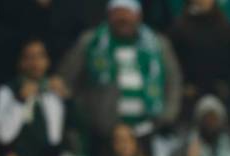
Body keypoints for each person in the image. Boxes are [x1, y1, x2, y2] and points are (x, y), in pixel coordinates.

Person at [58, 0, 182, 139]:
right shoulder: (91, 42)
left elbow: (173, 82)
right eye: (118, 13)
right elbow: (65, 80)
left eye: (128, 13)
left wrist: (167, 115)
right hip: (100, 132)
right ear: (109, 15)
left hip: (148, 130)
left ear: (138, 16)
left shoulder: (158, 44)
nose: (123, 18)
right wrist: (84, 114)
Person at [0, 39, 72, 156]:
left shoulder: (53, 91)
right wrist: (20, 101)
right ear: (21, 62)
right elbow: (3, 135)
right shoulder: (7, 91)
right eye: (29, 57)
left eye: (39, 57)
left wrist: (67, 99)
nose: (35, 63)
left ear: (47, 61)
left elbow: (56, 137)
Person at [169, 0, 230, 115]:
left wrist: (227, 86)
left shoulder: (228, 31)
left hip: (220, 101)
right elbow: (172, 67)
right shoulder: (177, 31)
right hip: (187, 103)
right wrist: (183, 87)